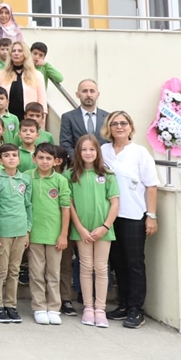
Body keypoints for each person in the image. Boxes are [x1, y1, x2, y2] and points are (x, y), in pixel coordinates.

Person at [100, 111, 158, 330]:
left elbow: (151, 186)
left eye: (123, 123)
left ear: (131, 127)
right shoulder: (103, 151)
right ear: (109, 128)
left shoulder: (140, 153)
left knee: (134, 263)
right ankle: (123, 304)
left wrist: (151, 216)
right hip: (110, 216)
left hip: (133, 215)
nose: (119, 127)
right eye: (114, 123)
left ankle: (136, 309)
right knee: (118, 263)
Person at [69, 134, 119, 328]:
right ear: (78, 152)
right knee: (85, 266)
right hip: (82, 230)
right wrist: (80, 228)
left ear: (97, 151)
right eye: (84, 149)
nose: (88, 153)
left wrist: (105, 227)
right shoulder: (71, 175)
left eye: (92, 149)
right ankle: (88, 307)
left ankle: (100, 308)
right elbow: (69, 205)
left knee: (101, 267)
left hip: (103, 230)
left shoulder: (107, 175)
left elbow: (115, 203)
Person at [27, 143, 71, 325]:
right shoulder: (27, 177)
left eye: (48, 158)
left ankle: (53, 308)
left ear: (56, 161)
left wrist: (63, 235)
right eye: (41, 158)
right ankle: (39, 307)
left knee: (53, 272)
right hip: (34, 234)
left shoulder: (60, 180)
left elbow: (66, 209)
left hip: (54, 235)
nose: (44, 161)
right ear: (34, 159)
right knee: (36, 272)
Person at [0, 144, 31, 324]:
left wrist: (28, 229)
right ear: (0, 160)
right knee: (1, 270)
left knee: (14, 270)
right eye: (7, 155)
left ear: (19, 159)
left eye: (14, 155)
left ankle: (10, 305)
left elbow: (28, 205)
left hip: (20, 230)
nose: (11, 158)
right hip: (3, 231)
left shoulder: (25, 180)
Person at [0, 42, 47, 121]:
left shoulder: (37, 75)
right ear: (10, 54)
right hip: (6, 119)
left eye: (20, 51)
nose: (16, 53)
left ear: (26, 54)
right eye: (13, 51)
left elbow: (42, 100)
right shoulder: (0, 74)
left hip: (29, 120)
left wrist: (43, 121)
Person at [60, 79, 109, 156]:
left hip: (103, 161)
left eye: (92, 91)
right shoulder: (68, 117)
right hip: (77, 162)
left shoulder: (108, 117)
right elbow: (65, 144)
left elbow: (111, 142)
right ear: (77, 94)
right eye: (84, 91)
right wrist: (79, 160)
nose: (88, 95)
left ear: (98, 95)